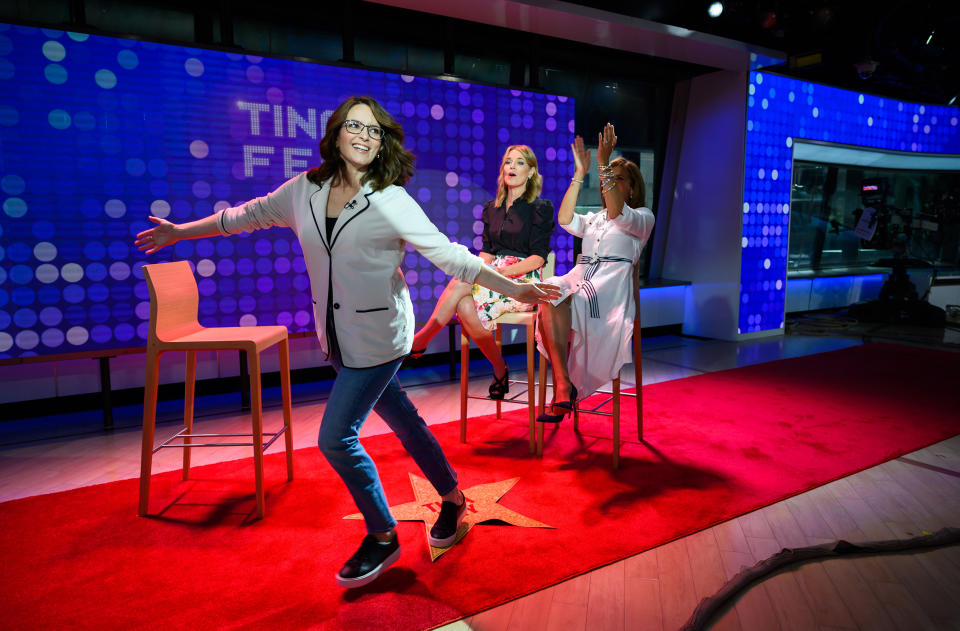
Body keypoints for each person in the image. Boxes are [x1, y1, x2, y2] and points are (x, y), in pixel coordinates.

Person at [135, 96, 560, 588]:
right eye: (354, 126)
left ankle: (382, 535)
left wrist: (517, 288)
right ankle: (454, 497)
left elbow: (452, 258)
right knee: (403, 417)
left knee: (335, 437)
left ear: (382, 143)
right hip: (335, 337)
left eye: (374, 130)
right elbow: (241, 217)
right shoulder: (302, 190)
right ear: (336, 133)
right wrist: (179, 234)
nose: (364, 135)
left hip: (382, 334)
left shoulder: (391, 197)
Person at [410, 145, 555, 399]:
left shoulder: (540, 207)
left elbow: (538, 258)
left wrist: (498, 274)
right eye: (508, 162)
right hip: (493, 273)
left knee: (463, 281)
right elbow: (487, 251)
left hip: (521, 280)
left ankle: (423, 337)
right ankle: (500, 368)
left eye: (519, 163)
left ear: (531, 172)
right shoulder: (492, 208)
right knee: (464, 301)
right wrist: (481, 269)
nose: (511, 166)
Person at [535, 124, 655, 423]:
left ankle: (565, 387)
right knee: (549, 291)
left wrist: (603, 163)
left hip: (609, 288)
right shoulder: (595, 218)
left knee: (571, 299)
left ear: (632, 187)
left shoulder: (641, 217)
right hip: (582, 275)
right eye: (606, 178)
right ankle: (563, 384)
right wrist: (580, 173)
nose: (609, 183)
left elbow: (618, 212)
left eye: (618, 179)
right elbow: (564, 219)